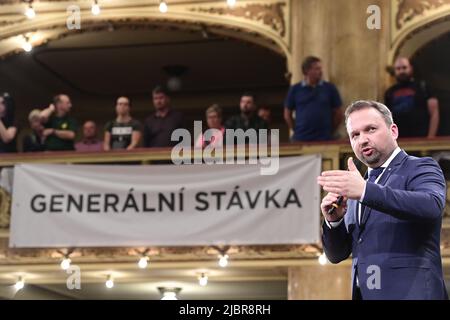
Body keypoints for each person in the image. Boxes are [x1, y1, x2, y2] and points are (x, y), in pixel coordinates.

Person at [318, 100, 448, 300]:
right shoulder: (358, 187)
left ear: (393, 130)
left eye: (370, 129)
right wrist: (333, 221)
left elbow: (431, 205)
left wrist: (365, 191)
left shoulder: (421, 167)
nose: (362, 140)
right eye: (355, 135)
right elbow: (336, 256)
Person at [284, 56, 343, 142]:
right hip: (301, 138)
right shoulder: (295, 89)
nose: (320, 72)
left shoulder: (329, 88)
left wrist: (329, 130)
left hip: (324, 138)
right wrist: (296, 130)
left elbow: (338, 113)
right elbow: (287, 114)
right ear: (307, 71)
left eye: (320, 68)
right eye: (317, 69)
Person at [384, 57, 439, 138]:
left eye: (404, 67)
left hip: (421, 139)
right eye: (398, 69)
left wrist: (430, 139)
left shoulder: (423, 87)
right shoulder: (389, 92)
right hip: (398, 140)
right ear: (394, 71)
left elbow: (434, 113)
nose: (401, 71)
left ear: (411, 68)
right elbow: (387, 118)